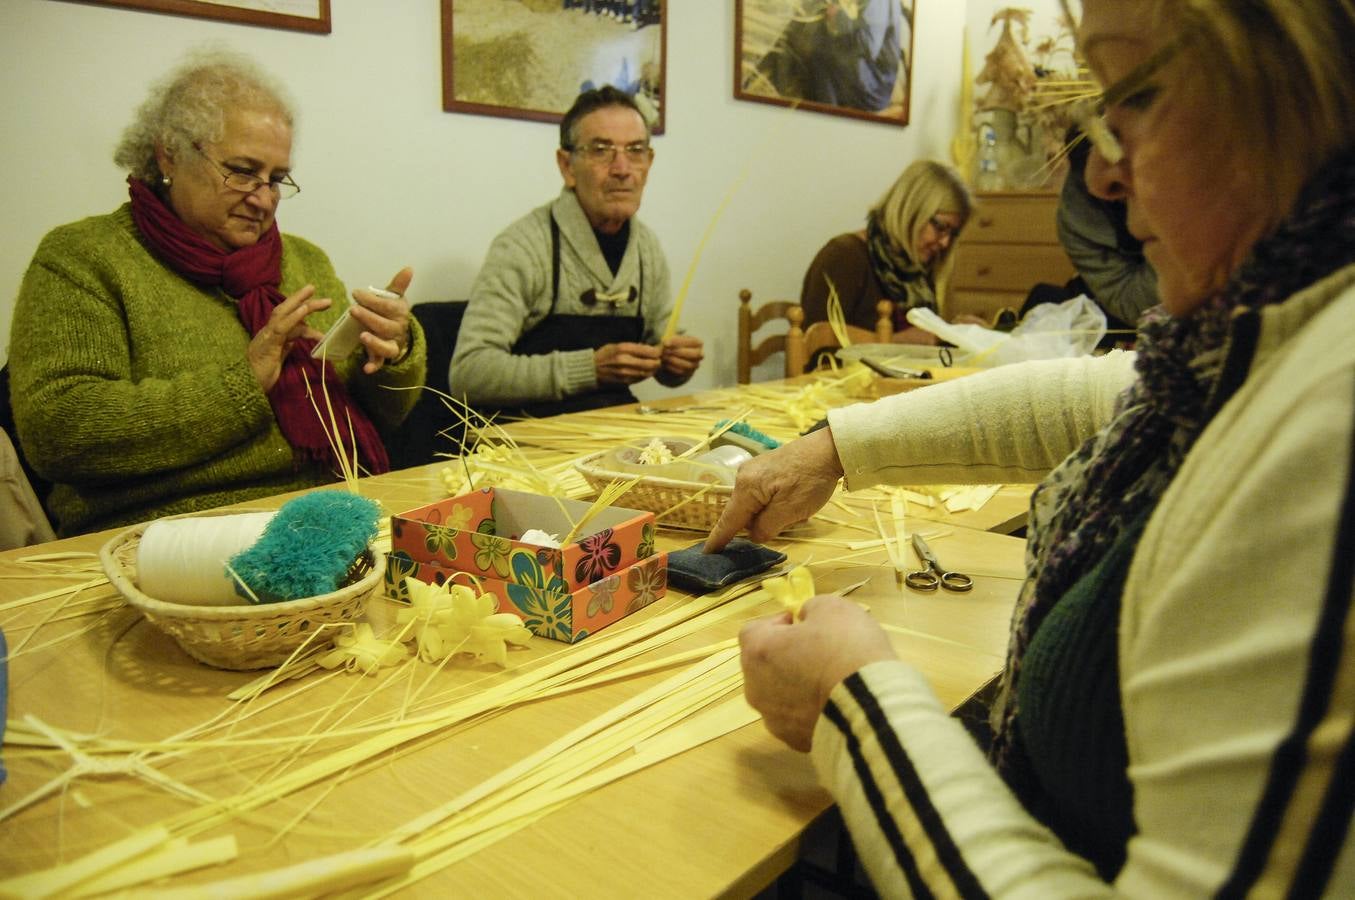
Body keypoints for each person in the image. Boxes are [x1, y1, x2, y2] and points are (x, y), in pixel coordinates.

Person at [706, 0, 1355, 894]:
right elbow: (1095, 398)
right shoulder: (1256, 343)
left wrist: (851, 705)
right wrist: (831, 449)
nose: (1102, 170)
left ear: (1288, 83)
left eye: (1129, 96)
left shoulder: (1331, 421)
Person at [8, 50, 425, 537]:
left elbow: (382, 415)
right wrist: (244, 382)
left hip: (330, 512)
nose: (263, 198)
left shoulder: (303, 260)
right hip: (169, 535)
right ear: (170, 153)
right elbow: (59, 433)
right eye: (243, 171)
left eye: (276, 179)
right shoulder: (83, 259)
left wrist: (391, 352)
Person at [449, 87, 703, 419]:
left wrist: (677, 362)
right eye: (601, 150)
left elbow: (663, 348)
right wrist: (590, 369)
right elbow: (469, 374)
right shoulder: (524, 245)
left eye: (636, 150)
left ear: (649, 163)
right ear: (567, 165)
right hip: (526, 442)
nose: (622, 168)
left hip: (613, 432)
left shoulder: (646, 249)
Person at [800, 160, 976, 345]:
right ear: (911, 209)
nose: (945, 242)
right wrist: (893, 342)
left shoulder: (915, 268)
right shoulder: (844, 256)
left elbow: (919, 341)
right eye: (941, 227)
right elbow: (813, 346)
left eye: (953, 233)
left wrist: (955, 333)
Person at [1021, 126, 1159, 342]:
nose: (1098, 182)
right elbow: (1139, 307)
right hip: (1124, 315)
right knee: (1043, 301)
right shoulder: (1076, 217)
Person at [750, 0, 905, 113]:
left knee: (818, 53)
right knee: (806, 20)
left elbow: (868, 46)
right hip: (867, 70)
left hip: (874, 85)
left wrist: (839, 17)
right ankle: (768, 86)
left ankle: (825, 115)